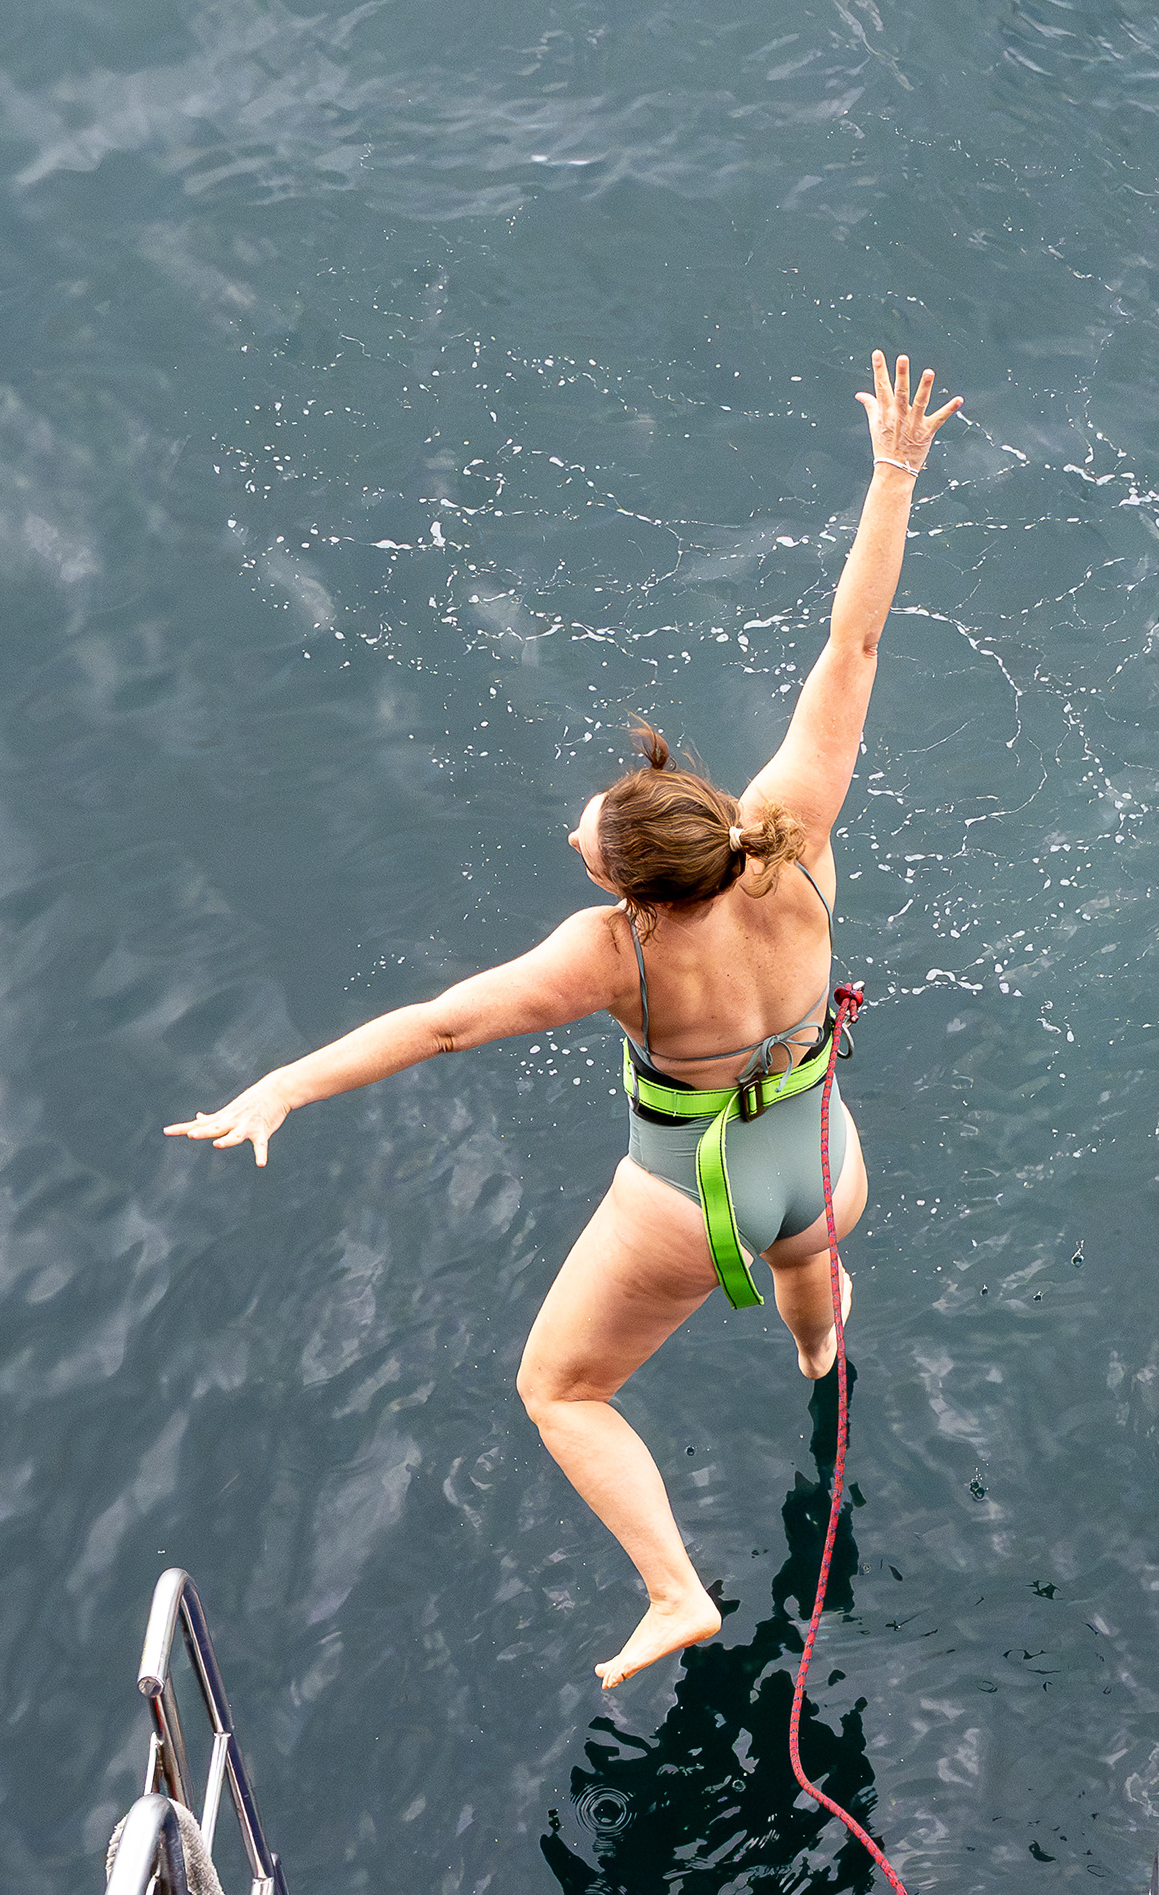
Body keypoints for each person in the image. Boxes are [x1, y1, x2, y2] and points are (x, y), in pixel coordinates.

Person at [168, 352, 961, 1688]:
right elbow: (854, 644)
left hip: (694, 1198)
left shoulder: (613, 954)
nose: (577, 843)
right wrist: (893, 473)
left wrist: (282, 1088)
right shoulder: (790, 831)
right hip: (826, 1159)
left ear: (634, 888)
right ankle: (826, 1361)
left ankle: (673, 1593)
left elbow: (437, 1026)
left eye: (588, 846)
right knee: (813, 1289)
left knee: (561, 1389)